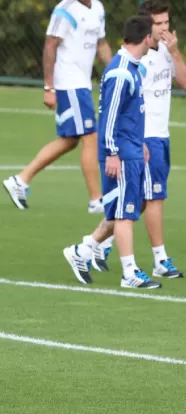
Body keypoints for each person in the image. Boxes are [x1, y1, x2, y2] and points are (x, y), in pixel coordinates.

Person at [3, 0, 112, 213]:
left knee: (70, 140)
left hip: (82, 83)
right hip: (69, 82)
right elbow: (50, 46)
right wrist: (49, 87)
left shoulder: (98, 8)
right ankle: (96, 200)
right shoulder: (65, 10)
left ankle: (20, 180)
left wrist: (117, 69)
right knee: (90, 136)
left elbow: (102, 43)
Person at [62, 15, 160, 289]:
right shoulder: (121, 72)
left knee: (124, 209)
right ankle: (129, 273)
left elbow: (127, 115)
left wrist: (138, 142)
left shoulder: (132, 67)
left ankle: (82, 251)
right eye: (154, 34)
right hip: (121, 154)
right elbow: (109, 118)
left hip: (131, 149)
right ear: (146, 38)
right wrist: (114, 153)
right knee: (125, 214)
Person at [94, 0, 186, 278]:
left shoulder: (166, 51)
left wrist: (176, 53)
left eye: (167, 23)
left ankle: (95, 244)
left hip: (160, 134)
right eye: (158, 24)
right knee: (151, 198)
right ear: (147, 27)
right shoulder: (138, 57)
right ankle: (159, 259)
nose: (163, 29)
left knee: (138, 200)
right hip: (143, 138)